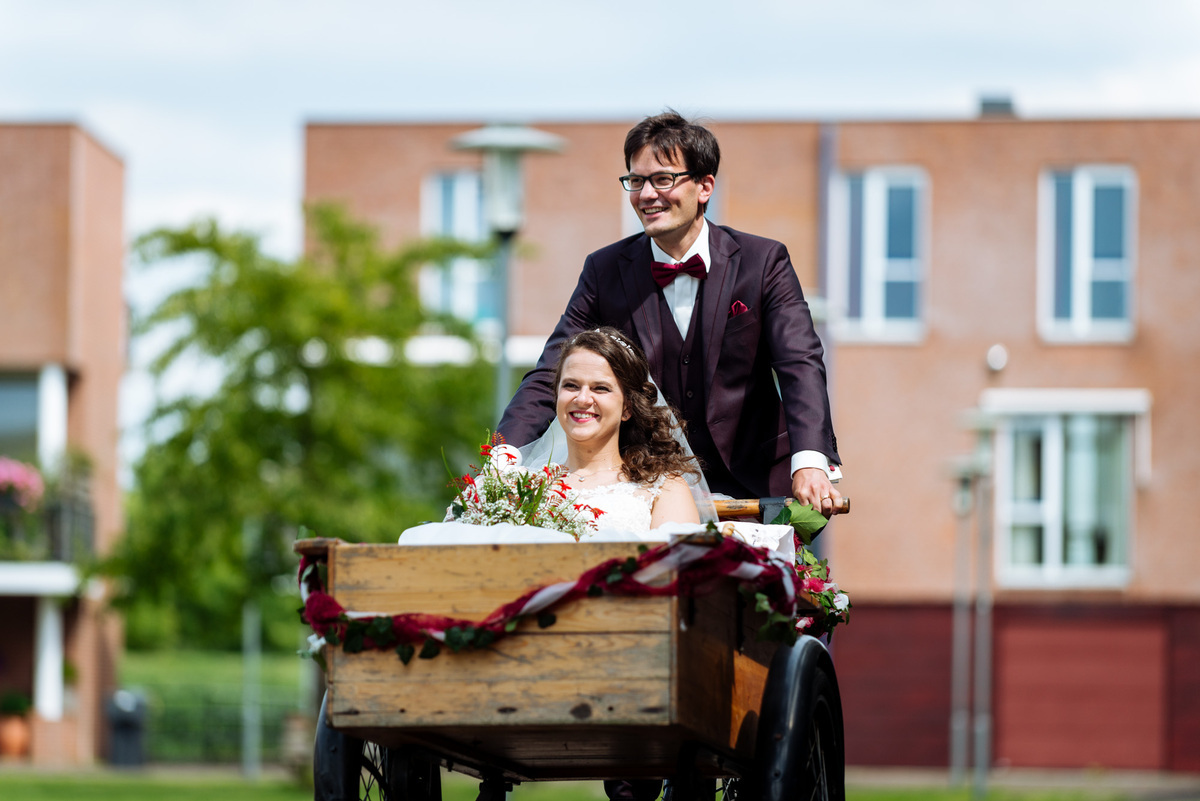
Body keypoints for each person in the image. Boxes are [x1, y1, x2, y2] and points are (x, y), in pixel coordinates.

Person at [499, 110, 844, 517]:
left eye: (663, 179)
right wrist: (504, 457)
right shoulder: (604, 269)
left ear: (704, 186)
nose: (646, 195)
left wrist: (809, 462)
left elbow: (799, 362)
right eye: (636, 181)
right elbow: (551, 369)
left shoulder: (763, 261)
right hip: (648, 483)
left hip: (757, 480)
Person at [544, 327, 701, 531]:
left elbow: (678, 561)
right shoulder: (524, 485)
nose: (582, 399)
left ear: (627, 407)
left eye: (600, 388)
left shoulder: (664, 488)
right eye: (571, 386)